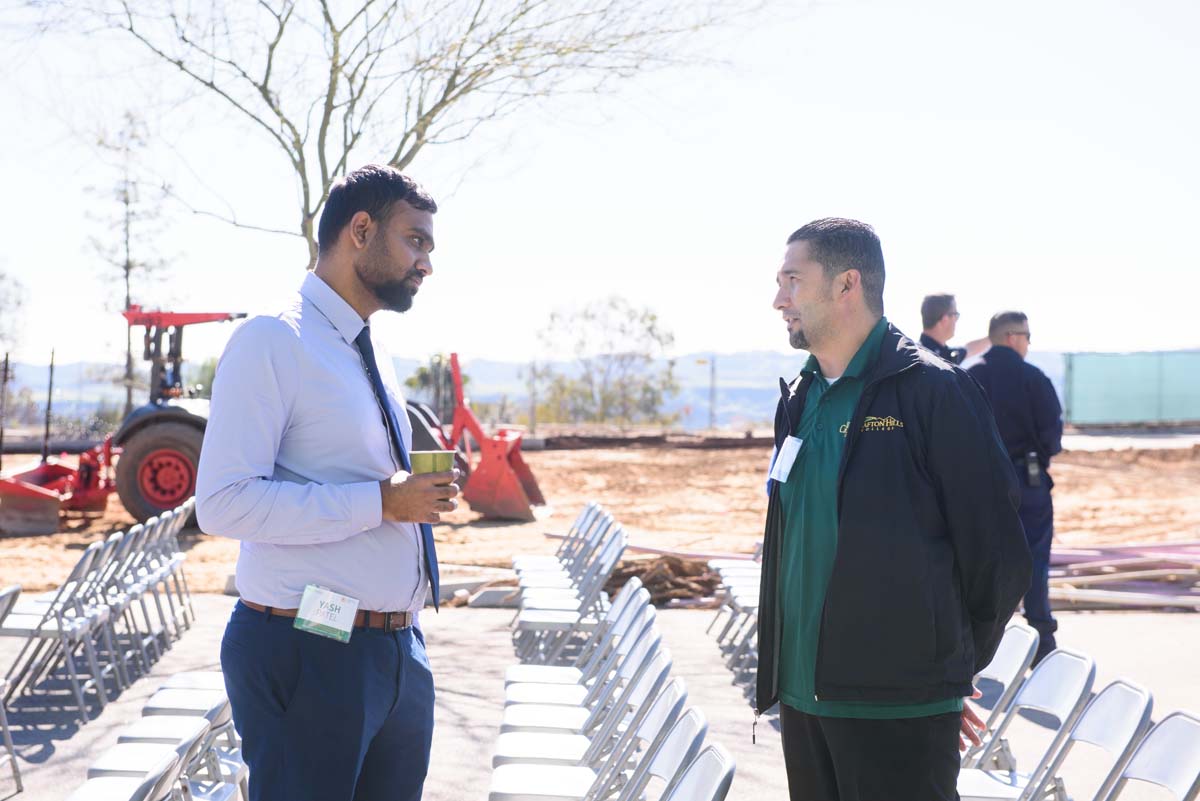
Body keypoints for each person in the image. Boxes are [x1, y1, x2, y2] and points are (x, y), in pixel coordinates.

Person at [196, 164, 460, 801]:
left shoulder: (368, 349)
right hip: (310, 646)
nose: (426, 263)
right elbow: (222, 504)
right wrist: (381, 502)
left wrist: (408, 493)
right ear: (360, 230)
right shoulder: (272, 341)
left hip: (398, 650)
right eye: (415, 240)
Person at [757, 218, 1032, 801]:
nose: (779, 299)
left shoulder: (934, 392)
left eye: (792, 280)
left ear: (846, 284)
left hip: (896, 708)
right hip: (803, 701)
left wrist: (940, 670)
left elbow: (1000, 552)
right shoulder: (801, 397)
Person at [967, 311, 1064, 664]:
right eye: (1027, 335)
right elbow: (1052, 439)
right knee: (1035, 560)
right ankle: (1041, 641)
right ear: (1012, 337)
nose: (1028, 343)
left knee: (981, 561)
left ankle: (980, 642)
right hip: (1029, 481)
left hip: (983, 487)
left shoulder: (968, 377)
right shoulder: (1034, 379)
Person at [919, 292, 990, 364]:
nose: (956, 320)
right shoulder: (926, 357)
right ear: (945, 319)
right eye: (956, 314)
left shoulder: (942, 353)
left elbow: (969, 349)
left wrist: (995, 336)